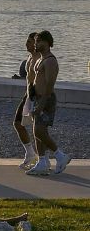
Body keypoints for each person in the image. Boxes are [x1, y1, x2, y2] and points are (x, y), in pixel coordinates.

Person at [26, 30, 71, 175]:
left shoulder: (50, 60)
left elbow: (50, 84)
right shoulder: (40, 58)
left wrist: (41, 104)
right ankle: (42, 162)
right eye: (36, 41)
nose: (36, 43)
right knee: (38, 131)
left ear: (47, 42)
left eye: (39, 41)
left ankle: (60, 155)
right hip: (38, 98)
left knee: (39, 130)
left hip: (46, 99)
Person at [14, 32, 40, 169]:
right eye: (27, 41)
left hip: (36, 95)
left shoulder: (39, 58)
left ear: (36, 44)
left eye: (29, 42)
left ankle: (52, 156)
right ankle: (31, 153)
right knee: (18, 123)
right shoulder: (30, 57)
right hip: (28, 94)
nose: (26, 44)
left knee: (39, 128)